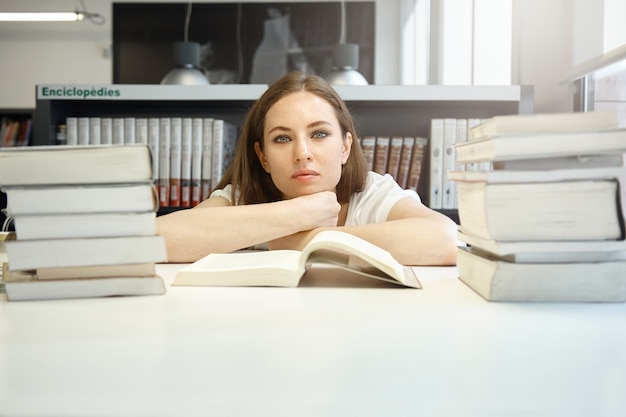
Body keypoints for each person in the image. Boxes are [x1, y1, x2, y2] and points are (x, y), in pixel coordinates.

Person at [156, 71, 458, 265]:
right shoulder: (242, 199)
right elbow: (158, 240)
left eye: (319, 134)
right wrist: (298, 214)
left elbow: (445, 239)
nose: (302, 153)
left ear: (344, 146)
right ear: (263, 157)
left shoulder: (372, 194)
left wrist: (311, 241)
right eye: (283, 138)